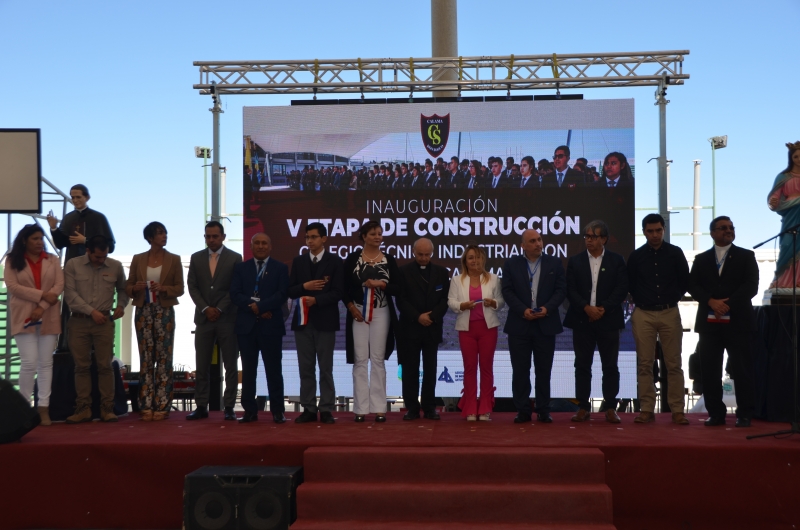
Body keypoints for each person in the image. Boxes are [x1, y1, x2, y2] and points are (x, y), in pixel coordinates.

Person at [688, 216, 759, 427]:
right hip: (709, 325)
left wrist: (725, 305)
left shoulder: (746, 256)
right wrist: (711, 301)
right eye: (723, 228)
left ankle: (745, 413)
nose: (728, 230)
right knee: (710, 370)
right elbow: (692, 285)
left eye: (731, 227)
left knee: (742, 369)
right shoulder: (701, 259)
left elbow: (751, 286)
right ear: (712, 233)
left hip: (738, 322)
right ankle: (716, 413)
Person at [627, 213, 690, 424]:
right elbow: (630, 284)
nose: (655, 235)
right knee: (644, 364)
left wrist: (672, 298)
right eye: (650, 231)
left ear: (664, 230)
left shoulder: (675, 253)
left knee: (673, 363)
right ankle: (646, 409)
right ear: (644, 232)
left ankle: (678, 410)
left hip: (669, 311)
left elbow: (684, 282)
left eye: (658, 230)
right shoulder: (636, 257)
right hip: (643, 312)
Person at [563, 220, 628, 423]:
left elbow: (621, 289)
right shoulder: (575, 261)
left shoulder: (617, 260)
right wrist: (586, 308)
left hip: (608, 320)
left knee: (610, 366)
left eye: (593, 236)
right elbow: (570, 290)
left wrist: (603, 308)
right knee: (582, 365)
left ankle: (610, 407)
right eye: (586, 236)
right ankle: (583, 407)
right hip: (583, 319)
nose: (588, 240)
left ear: (604, 239)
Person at [501, 229, 566, 423]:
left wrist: (547, 308)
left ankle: (543, 409)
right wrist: (523, 310)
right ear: (523, 246)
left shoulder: (554, 263)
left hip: (546, 324)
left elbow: (561, 290)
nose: (538, 243)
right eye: (532, 241)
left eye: (539, 239)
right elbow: (507, 291)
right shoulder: (512, 264)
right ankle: (523, 410)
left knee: (543, 370)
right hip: (519, 325)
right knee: (520, 370)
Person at [63, 235, 128, 423]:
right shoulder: (73, 265)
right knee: (81, 366)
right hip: (79, 321)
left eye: (104, 256)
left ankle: (107, 409)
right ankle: (83, 408)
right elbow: (70, 295)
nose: (101, 260)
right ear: (88, 251)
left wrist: (121, 306)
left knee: (105, 366)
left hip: (104, 321)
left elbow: (123, 290)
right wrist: (91, 312)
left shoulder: (115, 266)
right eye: (97, 257)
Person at [4, 224, 64, 426]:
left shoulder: (53, 260)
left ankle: (43, 407)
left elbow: (59, 286)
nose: (40, 242)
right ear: (24, 241)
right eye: (35, 239)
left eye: (41, 239)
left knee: (46, 364)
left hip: (48, 315)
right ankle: (23, 408)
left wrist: (43, 305)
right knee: (29, 363)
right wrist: (41, 296)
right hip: (23, 316)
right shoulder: (13, 260)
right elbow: (12, 286)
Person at [126, 222, 185, 421]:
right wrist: (136, 287)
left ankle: (162, 403)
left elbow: (180, 288)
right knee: (146, 359)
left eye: (165, 232)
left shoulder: (174, 259)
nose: (164, 236)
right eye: (160, 233)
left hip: (164, 310)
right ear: (150, 237)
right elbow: (127, 286)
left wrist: (164, 288)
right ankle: (145, 404)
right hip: (143, 310)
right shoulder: (138, 258)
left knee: (164, 358)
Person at [343, 221, 401, 422]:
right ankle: (360, 408)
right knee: (360, 358)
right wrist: (351, 308)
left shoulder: (389, 259)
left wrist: (381, 284)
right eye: (373, 234)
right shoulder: (352, 259)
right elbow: (343, 288)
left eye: (380, 233)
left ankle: (379, 408)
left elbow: (397, 288)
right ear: (364, 236)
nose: (378, 237)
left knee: (377, 359)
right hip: (358, 312)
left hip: (381, 312)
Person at [46, 184, 115, 352]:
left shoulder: (99, 218)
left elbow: (110, 245)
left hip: (94, 271)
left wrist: (86, 241)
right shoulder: (69, 218)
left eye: (78, 197)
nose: (75, 200)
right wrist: (54, 228)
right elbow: (61, 243)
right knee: (71, 304)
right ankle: (67, 345)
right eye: (73, 197)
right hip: (73, 269)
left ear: (87, 198)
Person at [185, 221, 243, 421]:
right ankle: (201, 406)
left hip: (227, 319)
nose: (211, 240)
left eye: (215, 236)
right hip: (203, 320)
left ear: (223, 237)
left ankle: (229, 407)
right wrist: (205, 308)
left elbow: (235, 288)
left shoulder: (235, 258)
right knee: (202, 365)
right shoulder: (196, 258)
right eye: (208, 236)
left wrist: (218, 308)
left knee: (231, 366)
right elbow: (192, 287)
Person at [288, 222, 344, 424]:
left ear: (324, 238)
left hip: (325, 321)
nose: (310, 241)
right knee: (306, 367)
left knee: (325, 367)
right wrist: (305, 286)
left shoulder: (335, 261)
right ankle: (309, 408)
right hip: (303, 322)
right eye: (307, 237)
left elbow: (338, 292)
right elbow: (290, 290)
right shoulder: (299, 261)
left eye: (314, 237)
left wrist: (316, 300)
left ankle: (327, 408)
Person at [230, 233, 289, 424]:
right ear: (251, 246)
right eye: (257, 243)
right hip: (246, 328)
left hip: (271, 327)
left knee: (274, 370)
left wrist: (261, 307)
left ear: (270, 246)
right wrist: (255, 308)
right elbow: (235, 294)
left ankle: (278, 411)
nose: (261, 246)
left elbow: (282, 294)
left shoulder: (280, 268)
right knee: (248, 371)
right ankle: (249, 411)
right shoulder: (241, 268)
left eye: (265, 243)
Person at [448, 245, 504, 421]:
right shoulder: (457, 280)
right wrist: (461, 306)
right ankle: (471, 408)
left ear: (483, 259)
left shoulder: (494, 279)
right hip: (467, 330)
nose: (475, 261)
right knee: (470, 368)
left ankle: (485, 408)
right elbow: (451, 301)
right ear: (465, 260)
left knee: (486, 368)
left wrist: (493, 302)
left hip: (488, 329)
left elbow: (501, 301)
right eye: (471, 257)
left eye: (478, 257)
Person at [396, 238, 450, 421]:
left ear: (432, 254)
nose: (424, 258)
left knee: (430, 369)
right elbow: (401, 300)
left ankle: (429, 407)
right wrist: (418, 316)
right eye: (420, 254)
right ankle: (411, 407)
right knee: (410, 369)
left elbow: (445, 300)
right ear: (413, 252)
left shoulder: (442, 273)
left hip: (432, 328)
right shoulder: (403, 272)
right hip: (410, 327)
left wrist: (432, 316)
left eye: (427, 255)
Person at [768, 141, 800, 287]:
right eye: (796, 157)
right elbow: (774, 196)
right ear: (791, 158)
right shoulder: (783, 177)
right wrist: (774, 201)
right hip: (791, 217)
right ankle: (781, 281)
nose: (799, 159)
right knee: (787, 244)